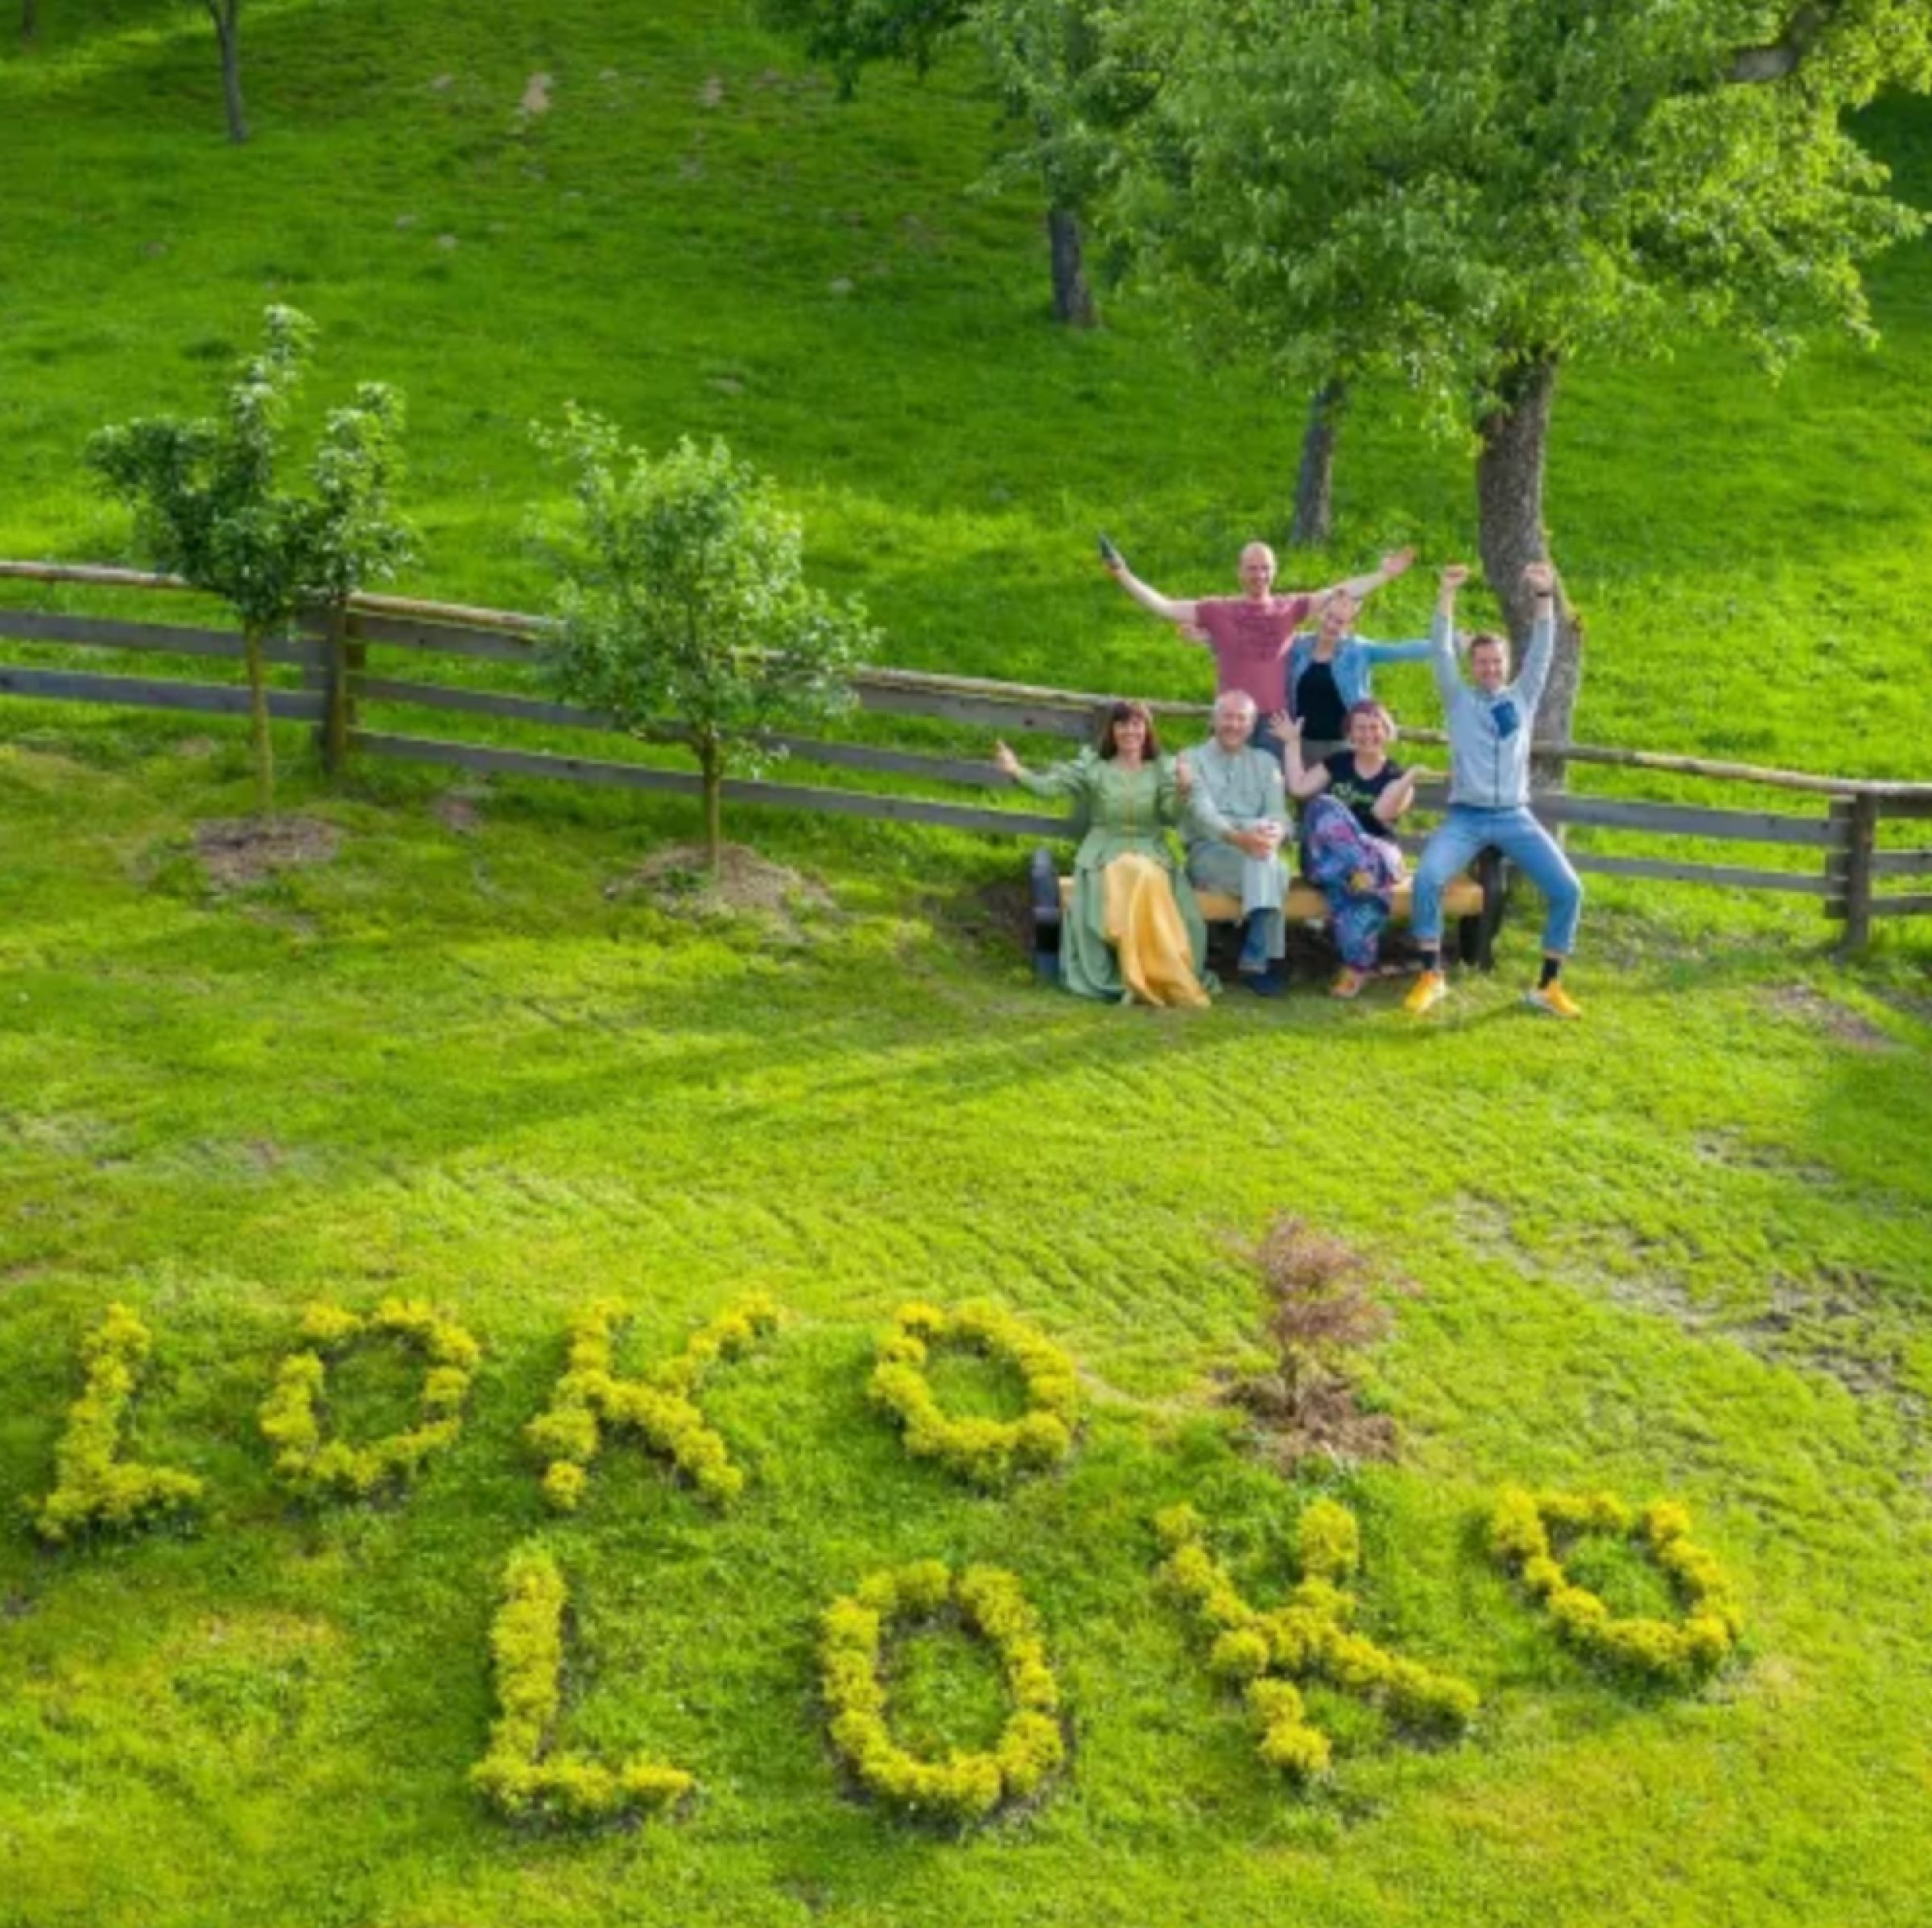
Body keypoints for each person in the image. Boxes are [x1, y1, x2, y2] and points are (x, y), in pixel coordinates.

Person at [1404, 561, 1583, 1019]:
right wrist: (1446, 594)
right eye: (1482, 662)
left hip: (1514, 816)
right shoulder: (1458, 698)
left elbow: (1542, 652)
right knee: (1427, 879)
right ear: (1473, 666)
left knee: (1568, 889)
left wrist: (1545, 598)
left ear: (1506, 666)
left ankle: (1548, 985)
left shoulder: (1522, 698)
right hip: (1466, 816)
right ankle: (1431, 976)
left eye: (1497, 662)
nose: (1489, 668)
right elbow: (1441, 653)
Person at [1104, 540, 1416, 757]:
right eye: (1252, 568)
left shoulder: (1288, 608)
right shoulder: (1217, 610)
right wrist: (1123, 574)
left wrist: (1384, 574)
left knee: (1271, 795)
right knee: (1222, 791)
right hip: (1229, 717)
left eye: (1265, 568)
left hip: (1274, 722)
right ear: (1240, 572)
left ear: (1274, 571)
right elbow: (1166, 607)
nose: (1259, 575)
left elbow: (1341, 592)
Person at [995, 700, 1212, 1008]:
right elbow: (1051, 787)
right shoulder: (1094, 767)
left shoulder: (1161, 769)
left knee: (1148, 873)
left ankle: (1159, 971)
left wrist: (1183, 790)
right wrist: (1017, 770)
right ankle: (1142, 972)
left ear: (1147, 730)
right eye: (1122, 724)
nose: (1130, 731)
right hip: (1104, 854)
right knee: (1138, 872)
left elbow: (1171, 815)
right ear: (1112, 730)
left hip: (1152, 850)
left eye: (1137, 724)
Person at [1278, 702, 1422, 998]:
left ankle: (1355, 969)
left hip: (1376, 854)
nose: (1367, 734)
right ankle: (1357, 965)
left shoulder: (1398, 776)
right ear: (1350, 733)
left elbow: (1382, 814)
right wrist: (1292, 743)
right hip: (1336, 861)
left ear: (1386, 732)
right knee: (1323, 806)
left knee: (1353, 880)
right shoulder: (1338, 763)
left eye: (1374, 727)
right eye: (1360, 728)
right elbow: (1299, 788)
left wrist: (1407, 779)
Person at [1181, 691, 1291, 995]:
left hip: (1256, 847)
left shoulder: (1266, 762)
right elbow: (1201, 813)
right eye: (1227, 717)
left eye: (1242, 718)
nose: (1234, 725)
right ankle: (1265, 957)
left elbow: (1278, 813)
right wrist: (1238, 838)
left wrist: (1275, 834)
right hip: (1209, 850)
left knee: (1271, 866)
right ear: (1213, 720)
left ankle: (1257, 953)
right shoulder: (1192, 760)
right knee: (1276, 872)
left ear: (1252, 725)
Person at [1284, 588, 1435, 762]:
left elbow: (1403, 650)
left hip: (1345, 744)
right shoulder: (1297, 646)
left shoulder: (1359, 650)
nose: (1331, 625)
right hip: (1303, 742)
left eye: (1340, 622)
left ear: (1350, 626)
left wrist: (1451, 643)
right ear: (1320, 615)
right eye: (1329, 617)